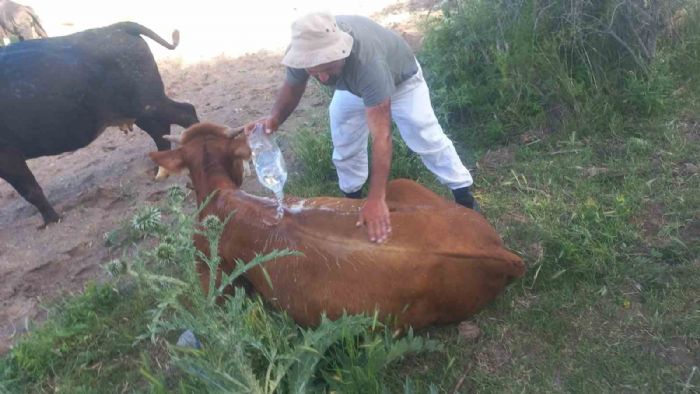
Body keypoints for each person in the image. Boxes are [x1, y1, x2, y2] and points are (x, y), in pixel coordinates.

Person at [245, 12, 476, 244]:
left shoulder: (368, 63)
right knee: (344, 141)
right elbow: (293, 86)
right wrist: (275, 119)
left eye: (328, 67)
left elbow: (382, 137)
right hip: (351, 88)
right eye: (315, 72)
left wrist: (377, 198)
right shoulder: (305, 50)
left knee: (424, 135)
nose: (323, 78)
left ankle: (464, 196)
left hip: (401, 81)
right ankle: (352, 201)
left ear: (341, 52)